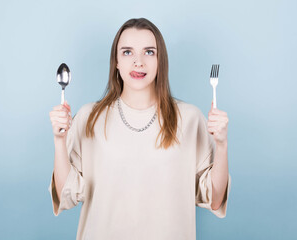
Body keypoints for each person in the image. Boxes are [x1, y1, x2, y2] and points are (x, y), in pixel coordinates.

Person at [48, 17, 231, 240]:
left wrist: (221, 145)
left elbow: (215, 199)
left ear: (160, 60)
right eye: (127, 52)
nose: (138, 62)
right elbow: (66, 194)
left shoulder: (190, 118)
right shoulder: (90, 117)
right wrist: (59, 141)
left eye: (149, 52)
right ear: (115, 61)